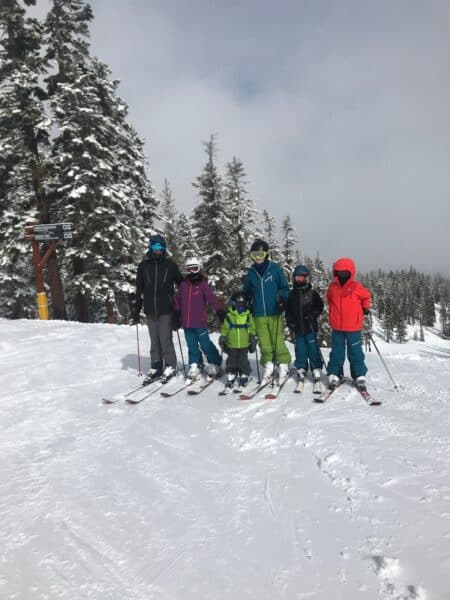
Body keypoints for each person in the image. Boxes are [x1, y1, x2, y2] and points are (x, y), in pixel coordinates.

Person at [131, 234, 183, 384]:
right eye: (155, 247)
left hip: (166, 308)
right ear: (150, 248)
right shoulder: (143, 266)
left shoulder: (170, 265)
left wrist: (178, 307)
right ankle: (156, 365)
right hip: (149, 308)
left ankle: (170, 365)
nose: (158, 250)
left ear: (164, 248)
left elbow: (182, 285)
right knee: (154, 339)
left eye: (160, 247)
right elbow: (139, 289)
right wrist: (136, 309)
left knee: (165, 338)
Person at [243, 239, 291, 382]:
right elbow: (247, 291)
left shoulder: (275, 269)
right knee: (264, 341)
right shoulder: (251, 273)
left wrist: (282, 299)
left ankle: (283, 364)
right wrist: (247, 300)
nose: (258, 258)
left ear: (266, 254)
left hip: (274, 311)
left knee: (277, 340)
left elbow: (285, 288)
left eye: (261, 254)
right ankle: (268, 364)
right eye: (255, 254)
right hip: (258, 314)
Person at [174, 257, 226, 379]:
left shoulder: (203, 284)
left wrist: (219, 310)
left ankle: (215, 362)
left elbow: (212, 298)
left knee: (205, 344)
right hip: (186, 323)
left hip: (200, 322)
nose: (192, 272)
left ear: (199, 269)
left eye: (195, 268)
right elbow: (177, 300)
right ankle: (195, 364)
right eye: (189, 269)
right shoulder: (183, 285)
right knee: (191, 345)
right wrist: (176, 313)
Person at [325, 257, 371, 388]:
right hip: (337, 326)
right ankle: (335, 374)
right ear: (335, 272)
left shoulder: (357, 287)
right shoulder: (332, 287)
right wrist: (334, 311)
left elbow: (366, 296)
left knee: (355, 351)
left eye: (345, 272)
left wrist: (365, 307)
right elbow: (329, 299)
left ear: (351, 272)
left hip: (353, 326)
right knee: (337, 352)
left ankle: (359, 375)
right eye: (339, 272)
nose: (341, 274)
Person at [285, 264, 324, 383]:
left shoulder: (312, 293)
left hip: (310, 327)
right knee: (300, 349)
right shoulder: (292, 294)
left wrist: (313, 314)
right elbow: (288, 310)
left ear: (306, 278)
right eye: (297, 277)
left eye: (302, 277)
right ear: (294, 278)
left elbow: (320, 306)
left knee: (313, 348)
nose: (299, 279)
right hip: (298, 328)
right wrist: (290, 322)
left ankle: (316, 367)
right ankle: (301, 367)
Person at [218, 290, 257, 389]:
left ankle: (244, 374)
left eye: (242, 305)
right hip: (232, 344)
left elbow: (252, 327)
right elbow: (225, 328)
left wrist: (252, 337)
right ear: (233, 304)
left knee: (243, 361)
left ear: (246, 305)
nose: (240, 307)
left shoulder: (248, 316)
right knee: (231, 360)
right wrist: (223, 337)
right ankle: (231, 373)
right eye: (238, 304)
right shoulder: (229, 316)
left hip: (244, 344)